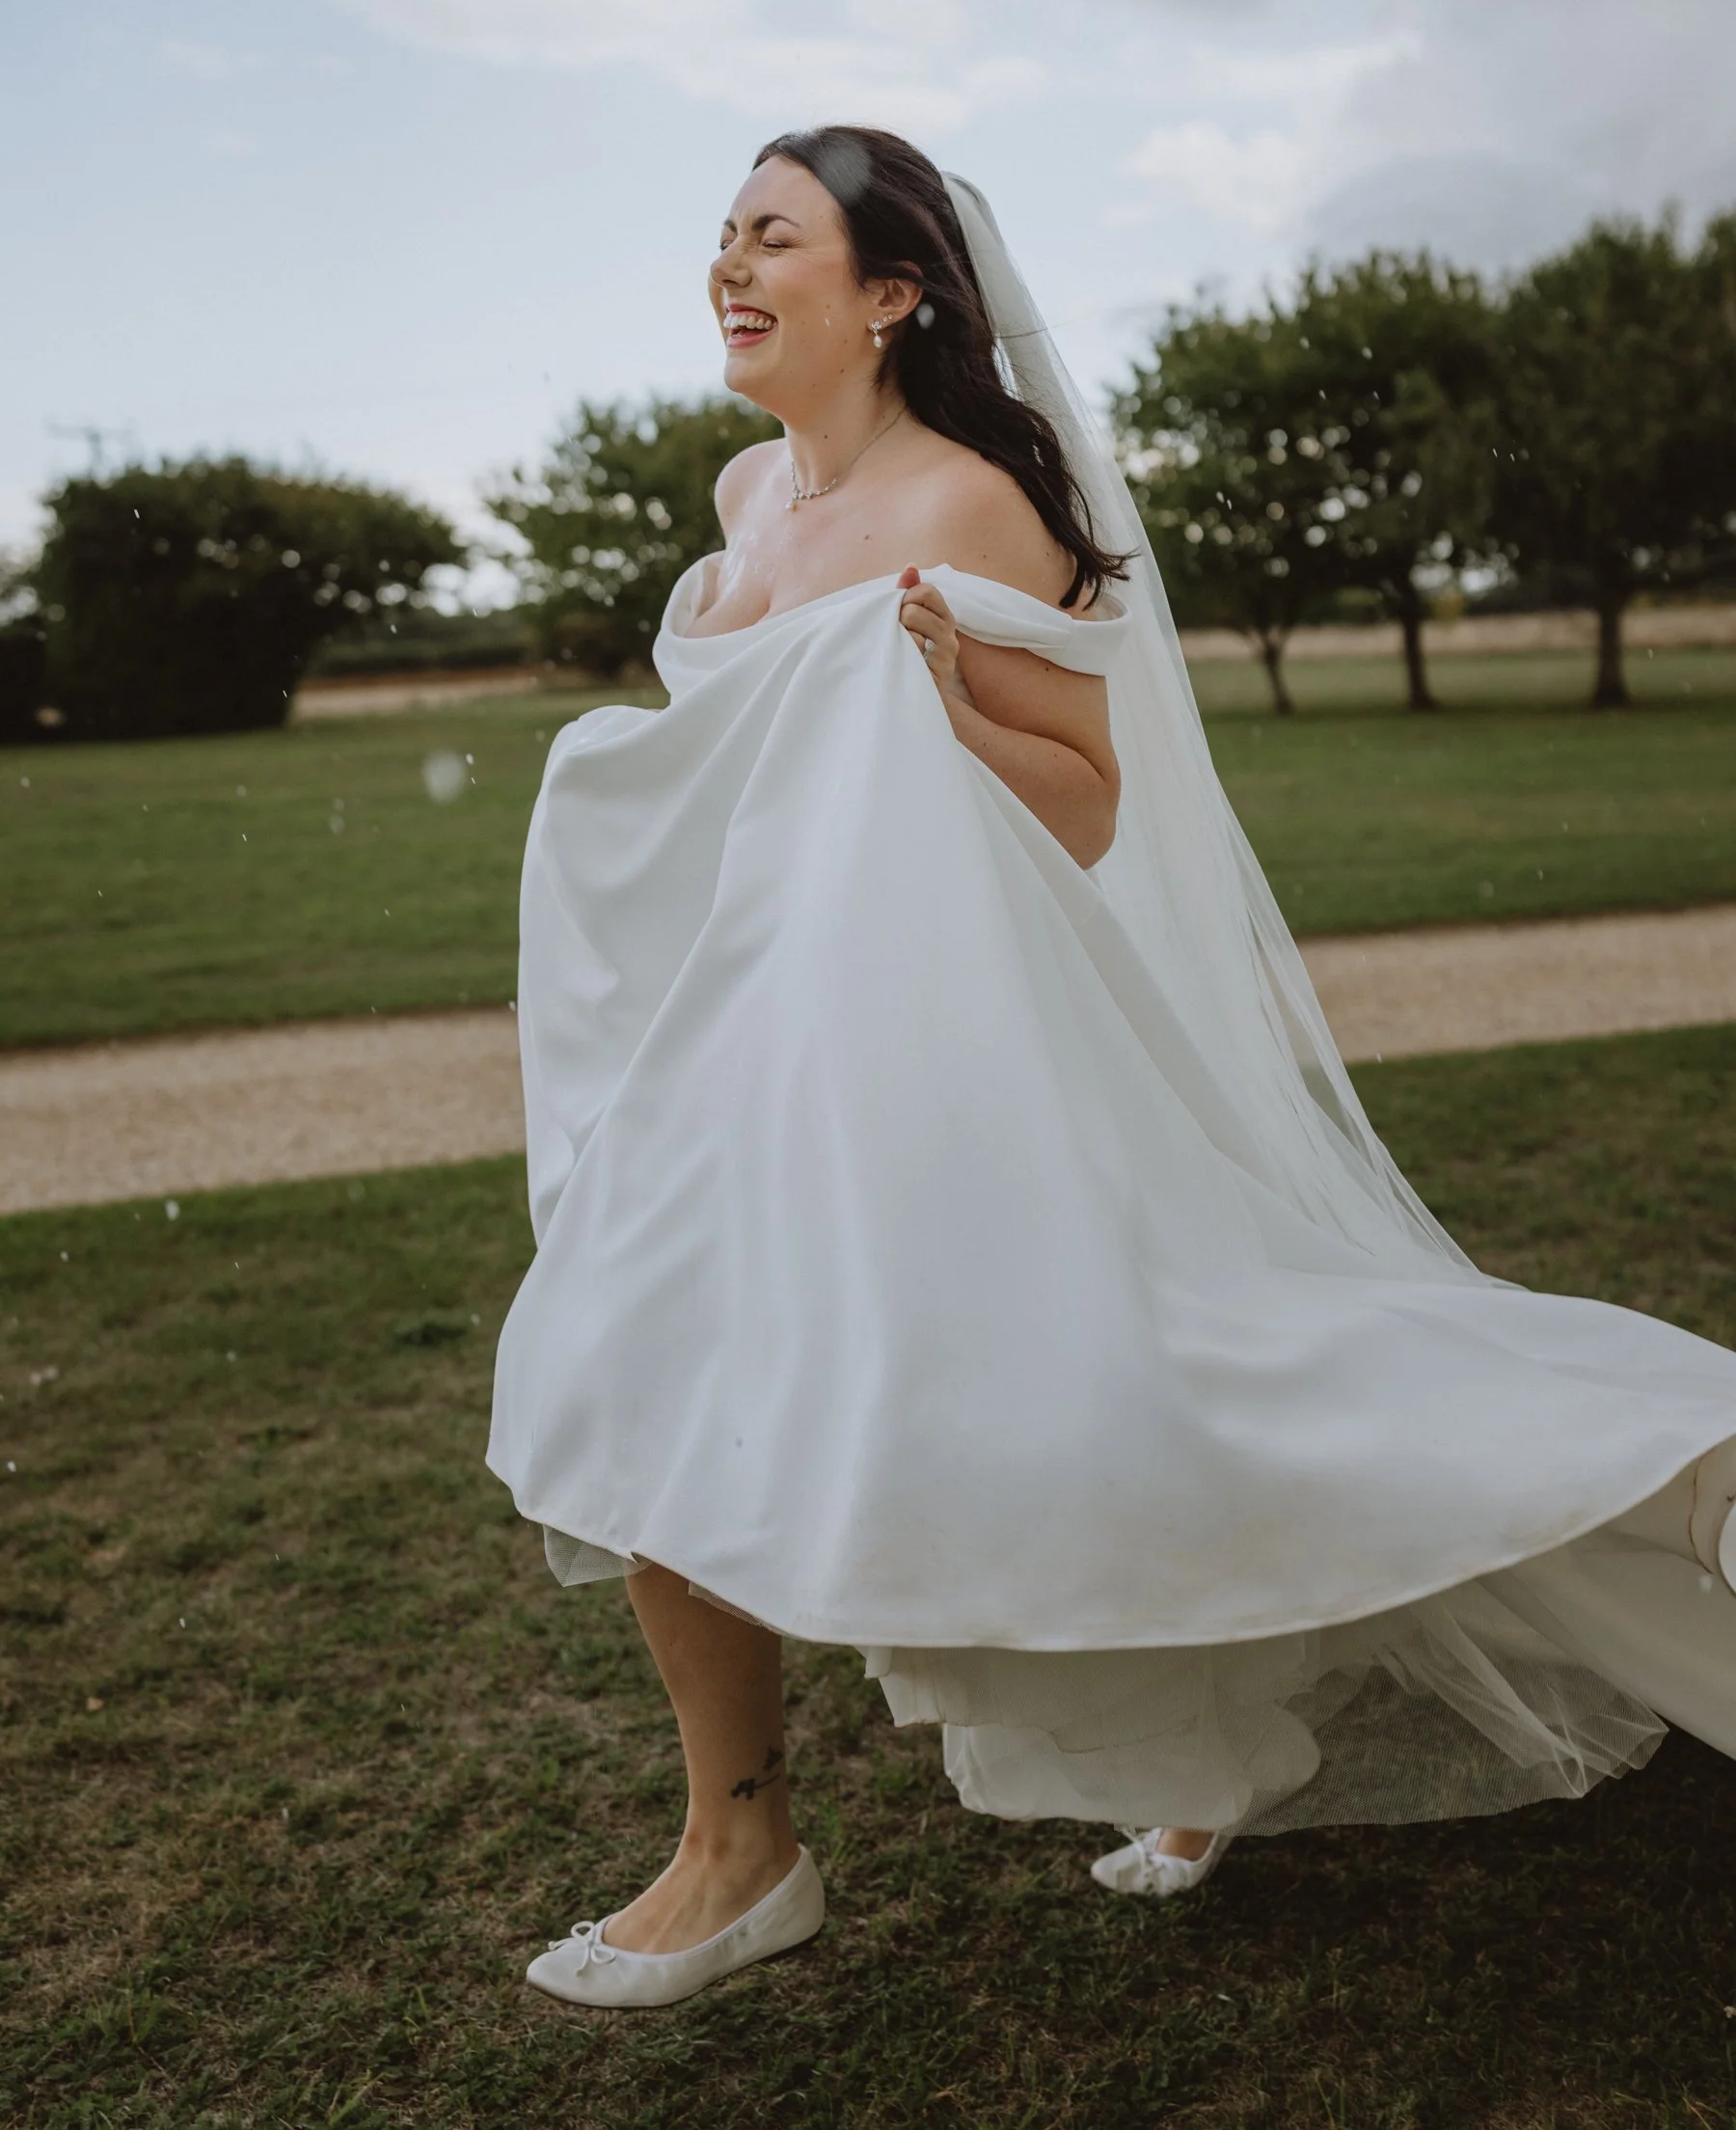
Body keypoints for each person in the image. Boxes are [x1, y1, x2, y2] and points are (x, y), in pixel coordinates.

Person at [490, 126, 1736, 2013]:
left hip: (929, 1040)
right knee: (633, 1351)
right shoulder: (747, 492)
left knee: (1157, 1394)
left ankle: (1670, 1450)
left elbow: (1084, 803)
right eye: (722, 238)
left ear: (893, 291)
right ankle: (740, 1846)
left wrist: (941, 705)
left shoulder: (976, 498)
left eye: (775, 238)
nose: (730, 269)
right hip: (739, 1041)